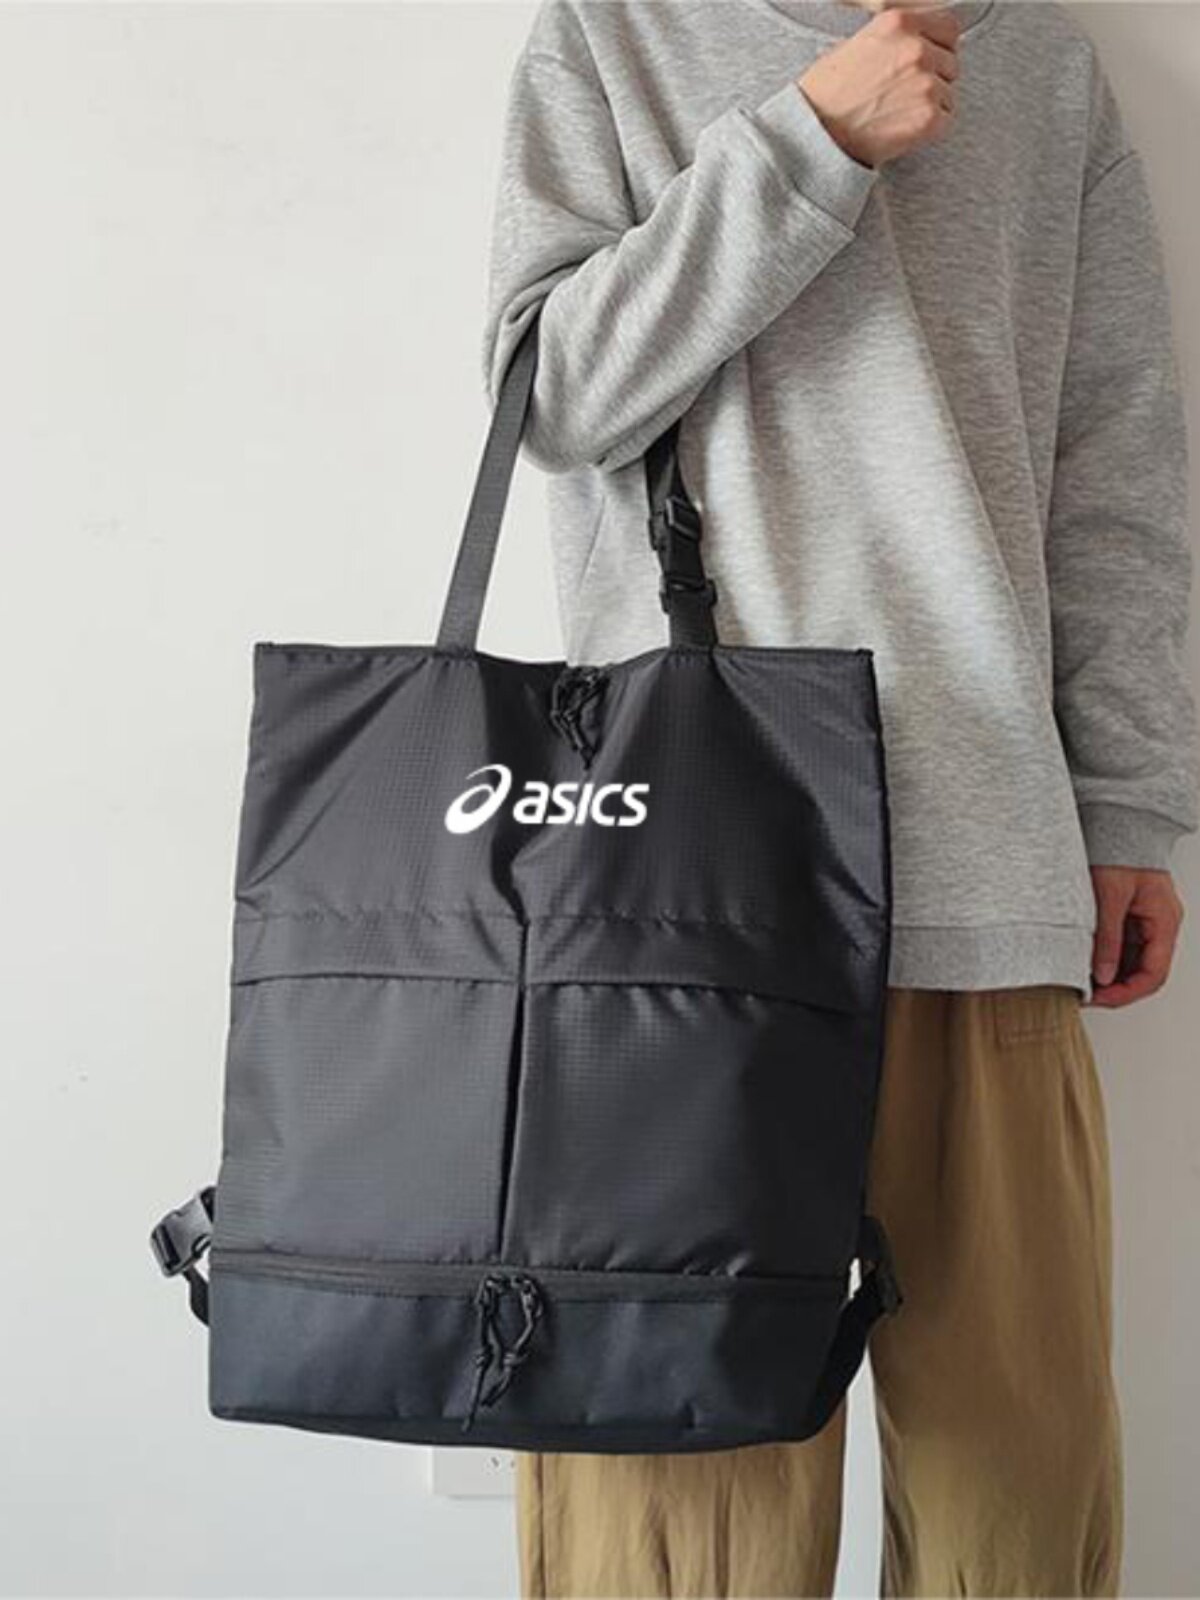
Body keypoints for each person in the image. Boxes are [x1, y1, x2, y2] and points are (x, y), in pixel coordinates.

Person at [481, 0, 1199, 1593]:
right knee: (675, 1518)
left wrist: (1130, 802)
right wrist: (808, 143)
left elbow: (1116, 469)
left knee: (1017, 1509)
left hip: (990, 869)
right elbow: (552, 397)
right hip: (679, 900)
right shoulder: (615, 31)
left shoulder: (1044, 62)